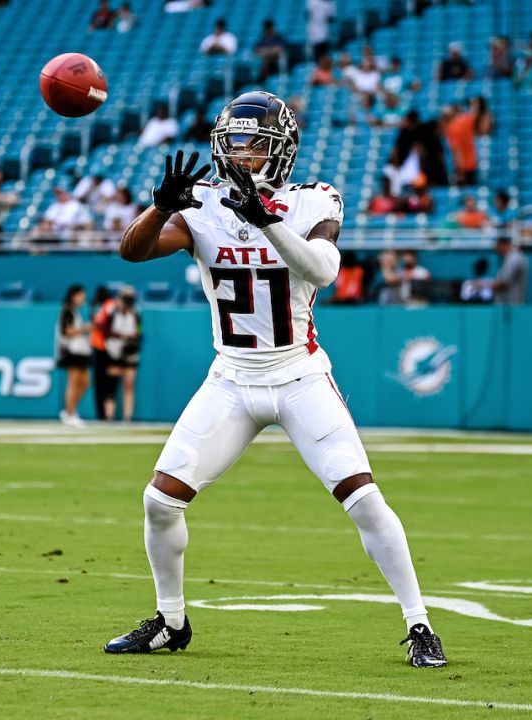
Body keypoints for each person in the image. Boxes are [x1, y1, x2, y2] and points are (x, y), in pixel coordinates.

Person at [106, 92, 447, 667]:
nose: (240, 154)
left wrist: (267, 222)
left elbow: (324, 271)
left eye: (254, 143)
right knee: (159, 503)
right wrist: (160, 208)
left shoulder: (312, 200)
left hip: (298, 374)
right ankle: (171, 620)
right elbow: (131, 252)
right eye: (233, 142)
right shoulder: (204, 206)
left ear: (281, 150)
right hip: (231, 380)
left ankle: (420, 625)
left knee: (362, 499)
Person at [101, 285, 142, 423]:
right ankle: (109, 416)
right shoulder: (112, 313)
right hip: (114, 351)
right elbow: (105, 332)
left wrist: (131, 339)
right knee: (111, 384)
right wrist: (121, 336)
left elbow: (139, 332)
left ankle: (127, 416)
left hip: (129, 352)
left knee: (129, 384)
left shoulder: (135, 314)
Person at [56, 285, 93, 427]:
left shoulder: (74, 311)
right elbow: (68, 331)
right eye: (81, 295)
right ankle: (69, 413)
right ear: (73, 295)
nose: (83, 298)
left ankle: (70, 411)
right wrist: (85, 328)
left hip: (80, 351)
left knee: (85, 383)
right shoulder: (67, 310)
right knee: (73, 382)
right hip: (71, 351)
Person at [89, 286, 119, 420]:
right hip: (98, 347)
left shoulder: (110, 305)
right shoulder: (100, 307)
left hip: (107, 349)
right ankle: (101, 414)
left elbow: (103, 325)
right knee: (99, 384)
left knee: (108, 385)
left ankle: (106, 414)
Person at [443, 102, 478, 186]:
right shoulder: (467, 119)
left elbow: (457, 152)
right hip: (472, 162)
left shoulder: (451, 127)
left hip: (464, 167)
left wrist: (460, 172)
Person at [490, 236, 528, 304]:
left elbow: (504, 283)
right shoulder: (510, 258)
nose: (496, 249)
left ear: (503, 245)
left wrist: (483, 285)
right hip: (507, 305)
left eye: (497, 246)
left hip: (512, 305)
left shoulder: (514, 258)